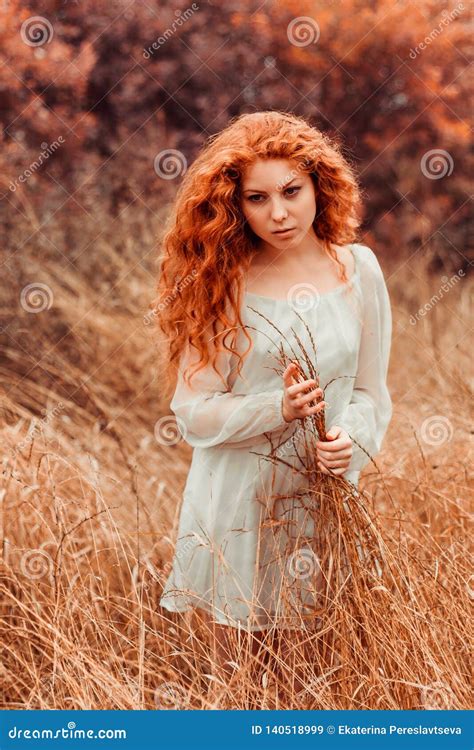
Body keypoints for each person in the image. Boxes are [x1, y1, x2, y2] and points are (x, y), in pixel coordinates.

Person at [155, 110, 392, 685]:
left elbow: (370, 391)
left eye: (291, 191)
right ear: (237, 206)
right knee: (242, 684)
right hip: (239, 504)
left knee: (318, 678)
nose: (278, 213)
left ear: (319, 185)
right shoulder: (222, 281)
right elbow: (192, 412)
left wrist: (352, 442)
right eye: (257, 199)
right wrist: (275, 409)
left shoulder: (358, 270)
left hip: (323, 500)